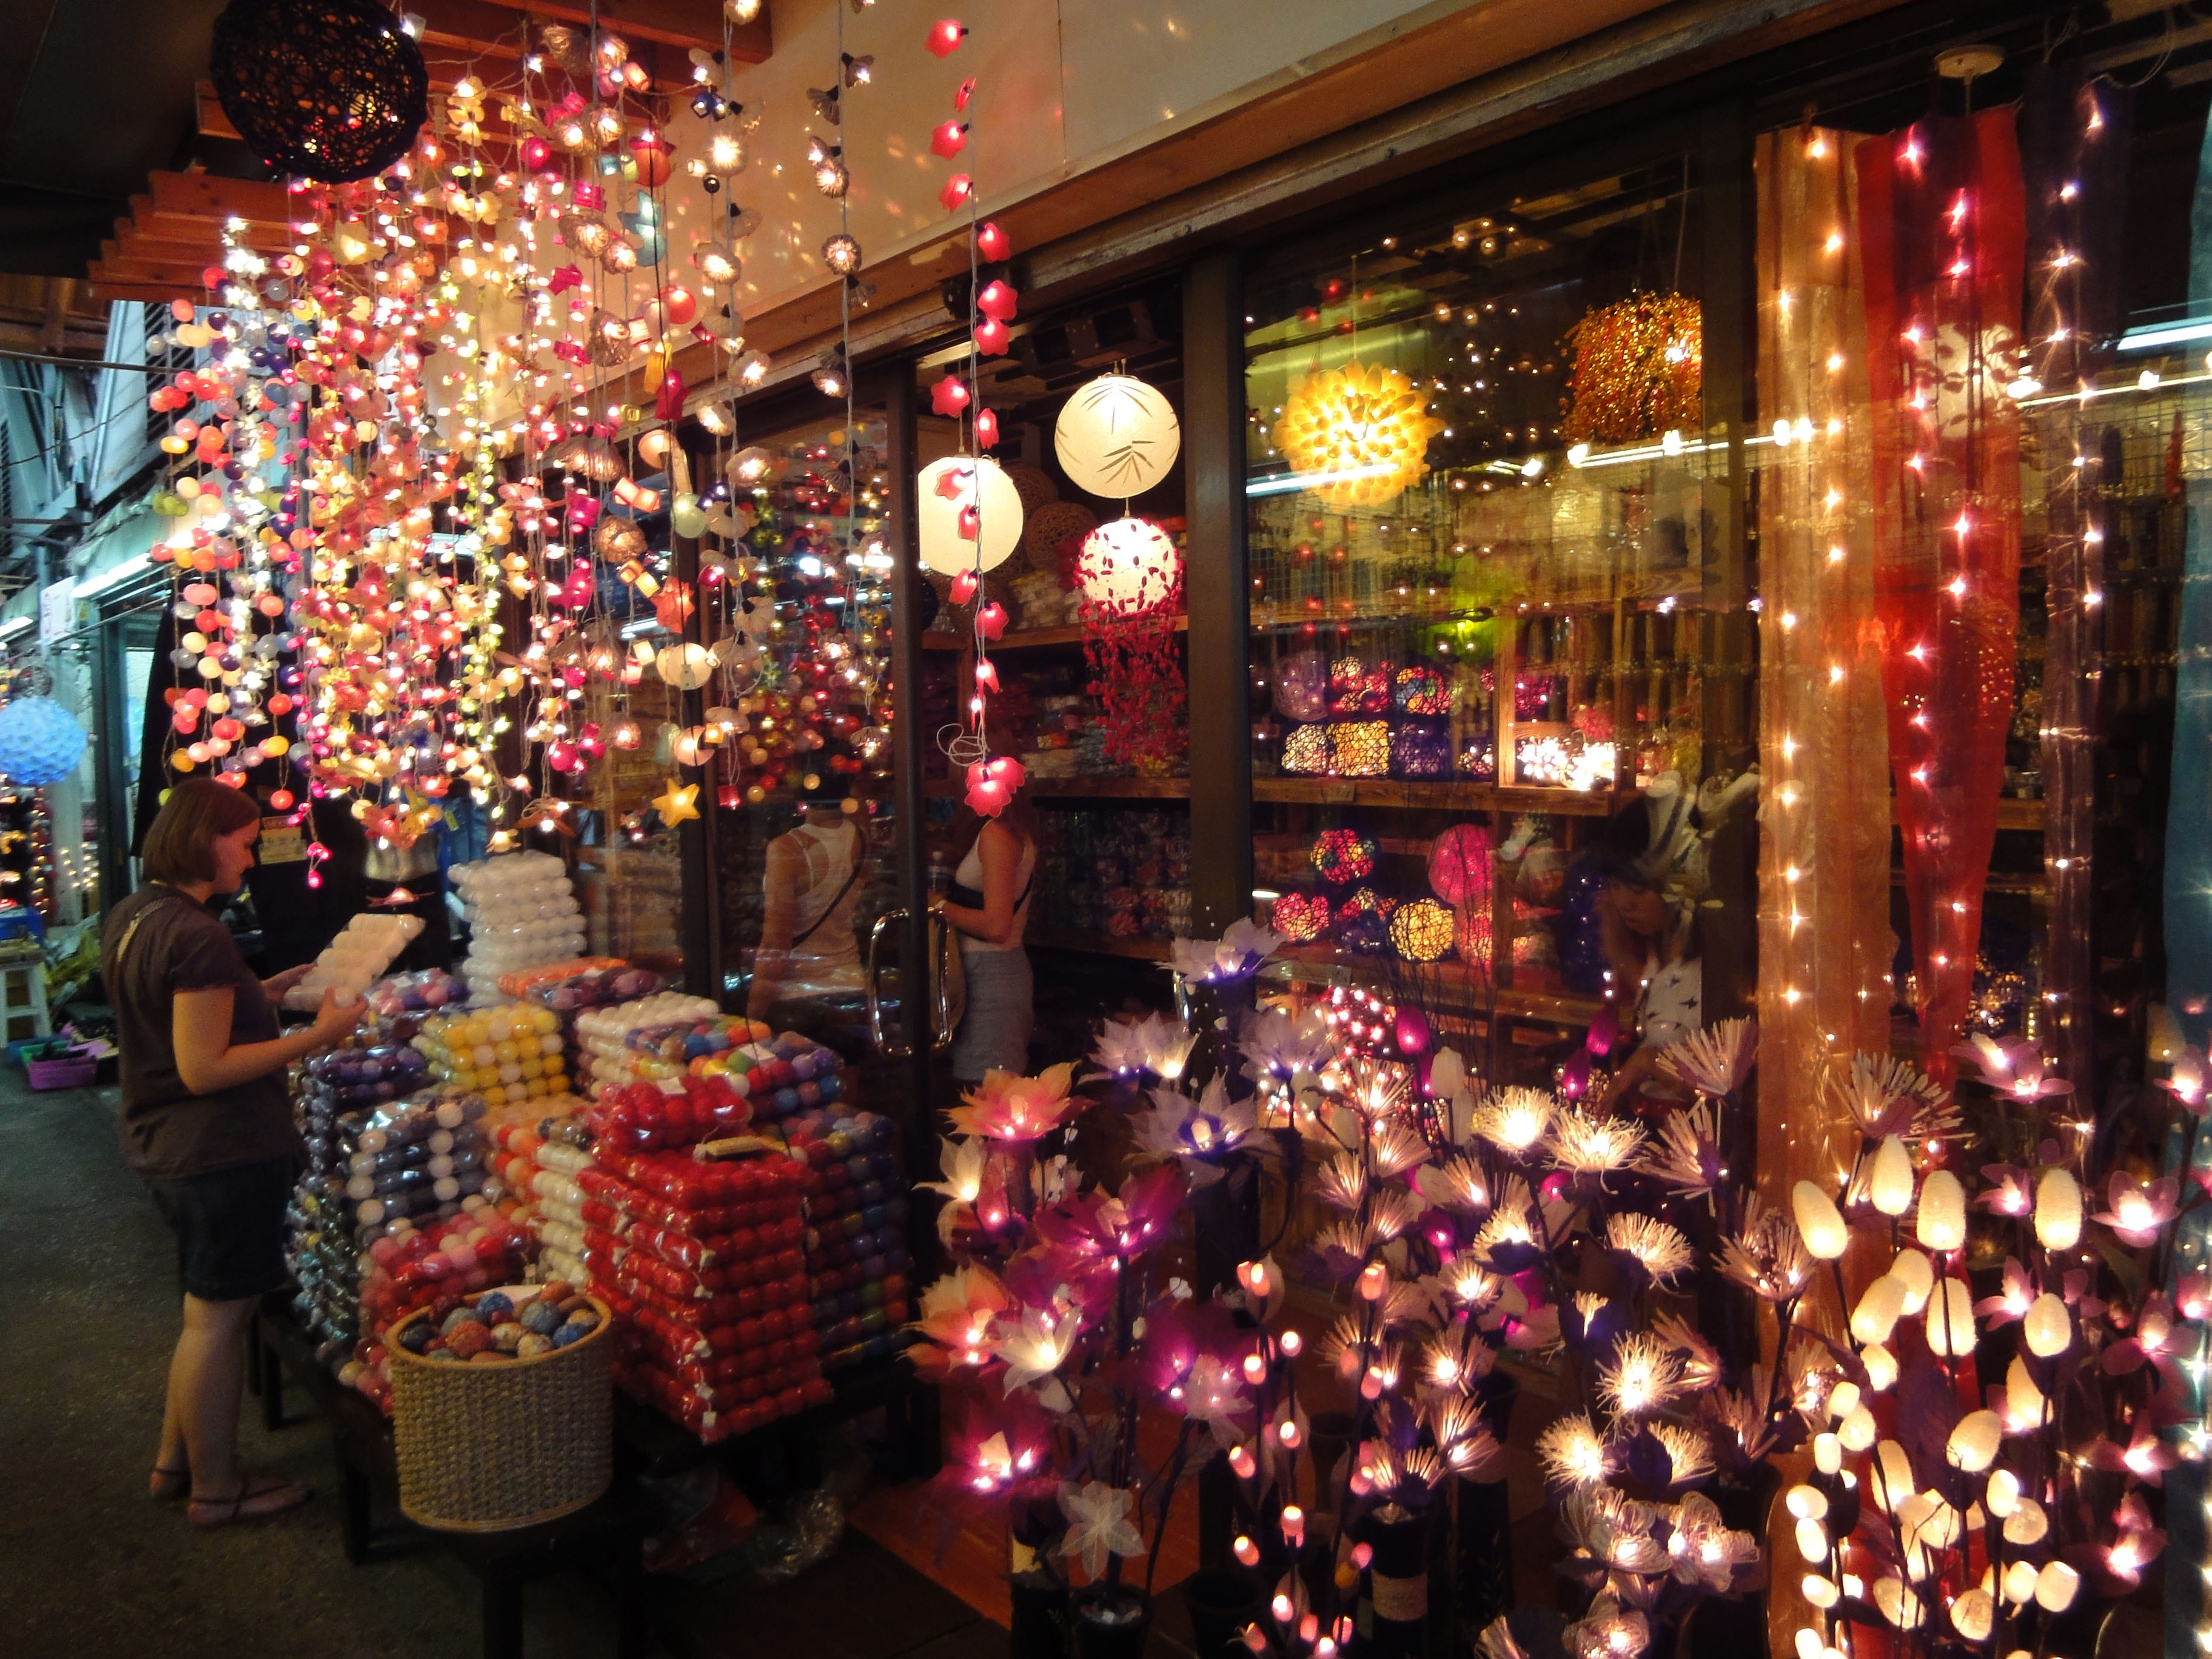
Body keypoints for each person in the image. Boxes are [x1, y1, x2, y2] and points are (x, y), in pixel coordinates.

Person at [104, 779, 362, 1527]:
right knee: (217, 1323)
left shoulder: (136, 913)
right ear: (202, 840)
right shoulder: (198, 935)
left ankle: (174, 1461)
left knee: (202, 1313)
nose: (251, 861)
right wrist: (318, 1037)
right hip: (217, 1152)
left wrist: (261, 991)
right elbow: (204, 1068)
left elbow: (179, 1012)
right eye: (244, 844)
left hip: (166, 1143)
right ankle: (215, 1492)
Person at [936, 760, 1039, 1084]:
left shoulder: (997, 835)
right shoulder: (1005, 830)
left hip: (991, 978)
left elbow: (997, 927)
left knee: (988, 1098)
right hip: (988, 973)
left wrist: (937, 906)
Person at [747, 771, 869, 1024]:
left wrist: (752, 1017)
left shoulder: (787, 848)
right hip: (851, 981)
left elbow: (775, 942)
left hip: (800, 996)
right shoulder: (862, 836)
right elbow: (860, 805)